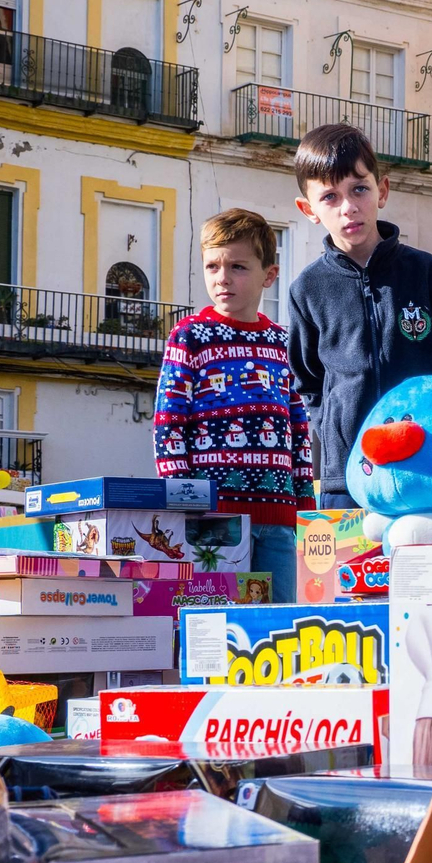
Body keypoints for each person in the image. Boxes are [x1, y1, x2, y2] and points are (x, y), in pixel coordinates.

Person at [287, 123, 432, 510]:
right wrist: (337, 430)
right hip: (348, 478)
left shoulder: (427, 272)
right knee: (352, 555)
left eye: (359, 189)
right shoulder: (306, 289)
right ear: (308, 210)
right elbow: (307, 382)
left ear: (382, 190)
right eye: (330, 197)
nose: (348, 207)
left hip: (427, 467)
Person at [154, 208, 314, 599]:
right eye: (213, 266)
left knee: (277, 620)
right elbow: (169, 421)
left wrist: (305, 502)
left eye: (238, 266)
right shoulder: (190, 336)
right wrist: (180, 498)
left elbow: (298, 428)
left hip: (280, 516)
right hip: (213, 514)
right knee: (214, 615)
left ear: (269, 275)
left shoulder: (282, 342)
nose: (222, 278)